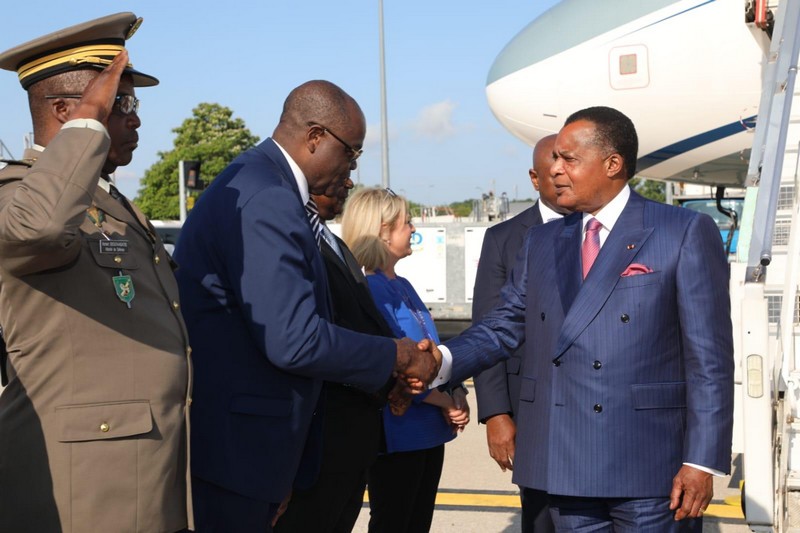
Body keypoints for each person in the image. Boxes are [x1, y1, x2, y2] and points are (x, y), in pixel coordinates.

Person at [429, 106, 734, 531]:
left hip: (651, 468)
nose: (554, 170)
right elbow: (503, 325)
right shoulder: (543, 240)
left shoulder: (681, 231)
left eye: (568, 159)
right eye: (554, 158)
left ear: (612, 165)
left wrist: (701, 460)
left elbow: (710, 360)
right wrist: (438, 362)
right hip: (569, 465)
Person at [173, 80, 440, 532]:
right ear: (315, 137)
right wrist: (396, 355)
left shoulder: (268, 187)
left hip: (258, 452)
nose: (353, 168)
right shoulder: (269, 197)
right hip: (244, 454)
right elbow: (294, 339)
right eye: (351, 153)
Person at [0, 13, 193, 532]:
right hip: (85, 487)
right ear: (66, 111)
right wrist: (90, 120)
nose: (135, 119)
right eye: (121, 104)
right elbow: (37, 231)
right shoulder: (17, 195)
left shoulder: (109, 201)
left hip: (146, 471)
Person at [341, 187, 470, 533]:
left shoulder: (403, 284)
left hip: (428, 431)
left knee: (416, 523)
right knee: (395, 522)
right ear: (382, 230)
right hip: (399, 435)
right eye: (406, 222)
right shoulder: (370, 290)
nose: (413, 228)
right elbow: (396, 367)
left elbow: (432, 353)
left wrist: (457, 393)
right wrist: (444, 401)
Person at [274, 183, 397, 532]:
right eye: (345, 159)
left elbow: (364, 325)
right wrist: (392, 361)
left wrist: (393, 375)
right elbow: (315, 335)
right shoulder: (294, 241)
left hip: (352, 442)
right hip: (320, 444)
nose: (349, 180)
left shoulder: (332, 242)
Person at [472, 134, 565, 533]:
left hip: (593, 411)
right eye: (552, 170)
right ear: (533, 177)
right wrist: (495, 413)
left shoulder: (602, 230)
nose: (562, 177)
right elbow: (488, 328)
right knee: (541, 517)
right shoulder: (503, 239)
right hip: (529, 411)